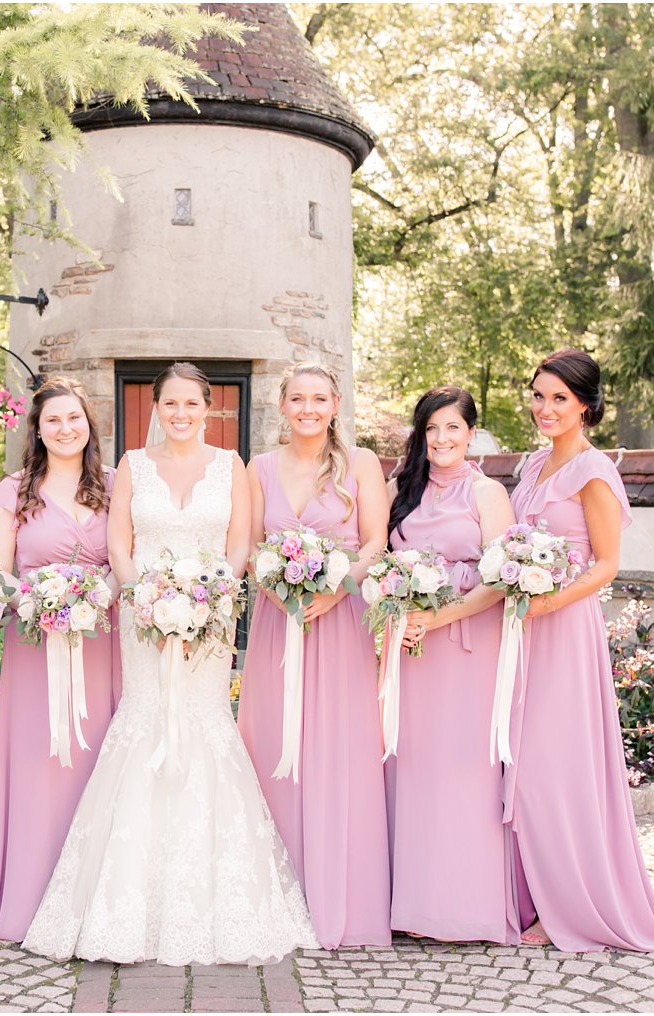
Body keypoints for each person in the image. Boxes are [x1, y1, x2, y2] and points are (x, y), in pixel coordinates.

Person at [22, 362, 316, 965]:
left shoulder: (230, 465)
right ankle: (125, 903)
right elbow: (119, 544)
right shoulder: (132, 464)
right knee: (146, 721)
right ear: (155, 407)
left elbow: (241, 541)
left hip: (209, 619)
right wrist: (142, 600)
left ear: (208, 409)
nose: (181, 414)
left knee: (206, 723)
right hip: (144, 621)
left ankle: (217, 898)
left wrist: (212, 598)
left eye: (192, 405)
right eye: (171, 404)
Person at [505, 348, 654, 952]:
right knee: (513, 761)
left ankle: (570, 905)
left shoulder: (594, 471)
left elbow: (607, 565)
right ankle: (525, 895)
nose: (546, 408)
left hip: (562, 629)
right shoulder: (533, 466)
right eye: (539, 395)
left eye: (560, 398)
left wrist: (548, 602)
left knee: (553, 767)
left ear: (586, 405)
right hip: (520, 626)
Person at [236, 362, 392, 949]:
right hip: (280, 622)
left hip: (342, 620)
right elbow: (251, 545)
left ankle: (343, 900)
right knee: (274, 744)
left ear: (335, 404)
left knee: (340, 750)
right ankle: (279, 899)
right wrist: (278, 588)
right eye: (297, 398)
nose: (307, 408)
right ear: (283, 405)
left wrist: (338, 586)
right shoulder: (260, 468)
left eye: (318, 399)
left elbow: (376, 541)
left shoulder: (363, 465)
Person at [384, 386, 526, 944]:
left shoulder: (487, 492)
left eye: (452, 428)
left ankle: (464, 908)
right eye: (432, 429)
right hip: (410, 646)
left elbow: (500, 581)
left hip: (466, 641)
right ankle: (413, 906)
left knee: (463, 768)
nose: (441, 439)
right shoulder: (404, 489)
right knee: (413, 766)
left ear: (471, 432)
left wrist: (436, 619)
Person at [0, 378, 120, 941]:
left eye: (74, 419)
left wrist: (95, 597)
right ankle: (32, 901)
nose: (66, 429)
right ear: (37, 431)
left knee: (99, 761)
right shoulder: (10, 493)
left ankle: (97, 903)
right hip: (36, 642)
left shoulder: (116, 487)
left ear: (89, 425)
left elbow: (125, 559)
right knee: (41, 764)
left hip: (100, 641)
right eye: (53, 421)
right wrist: (42, 602)